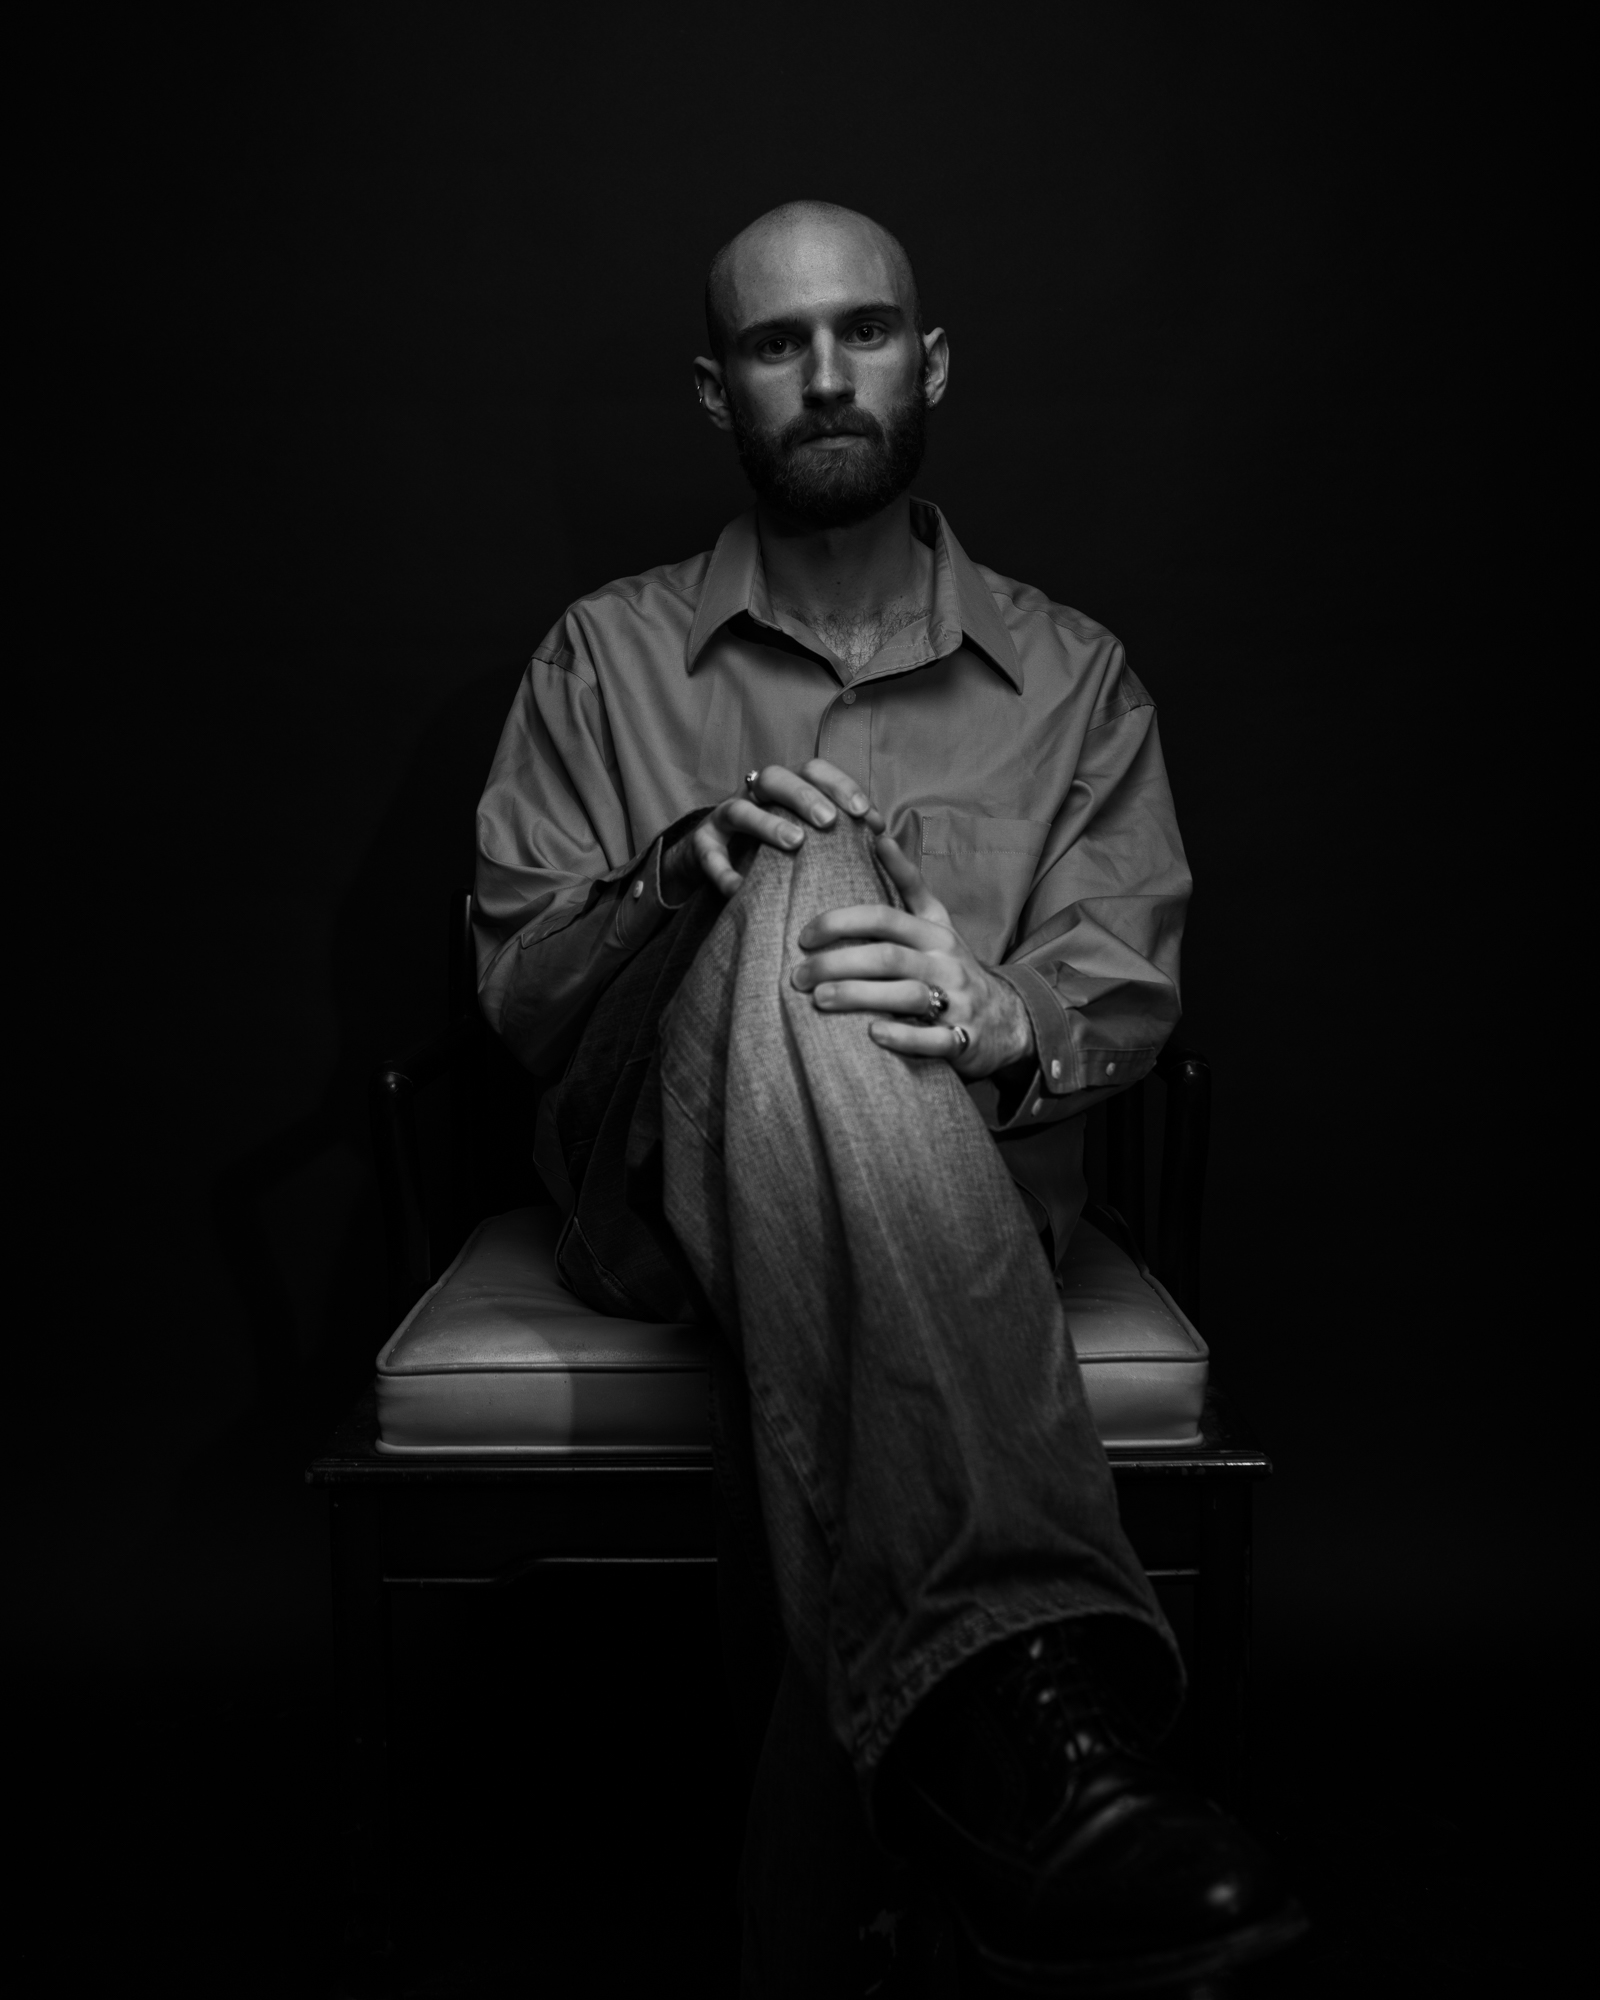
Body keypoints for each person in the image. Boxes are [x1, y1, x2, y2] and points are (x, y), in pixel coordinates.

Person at [474, 199, 1303, 1993]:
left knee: (823, 929)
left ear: (928, 364)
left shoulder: (1075, 681)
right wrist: (682, 876)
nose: (828, 373)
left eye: (864, 332)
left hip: (964, 1192)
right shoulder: (599, 660)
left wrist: (999, 1014)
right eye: (779, 344)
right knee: (790, 875)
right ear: (717, 389)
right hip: (653, 1206)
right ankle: (1029, 1691)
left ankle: (916, 1834)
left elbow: (1120, 976)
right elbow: (524, 1000)